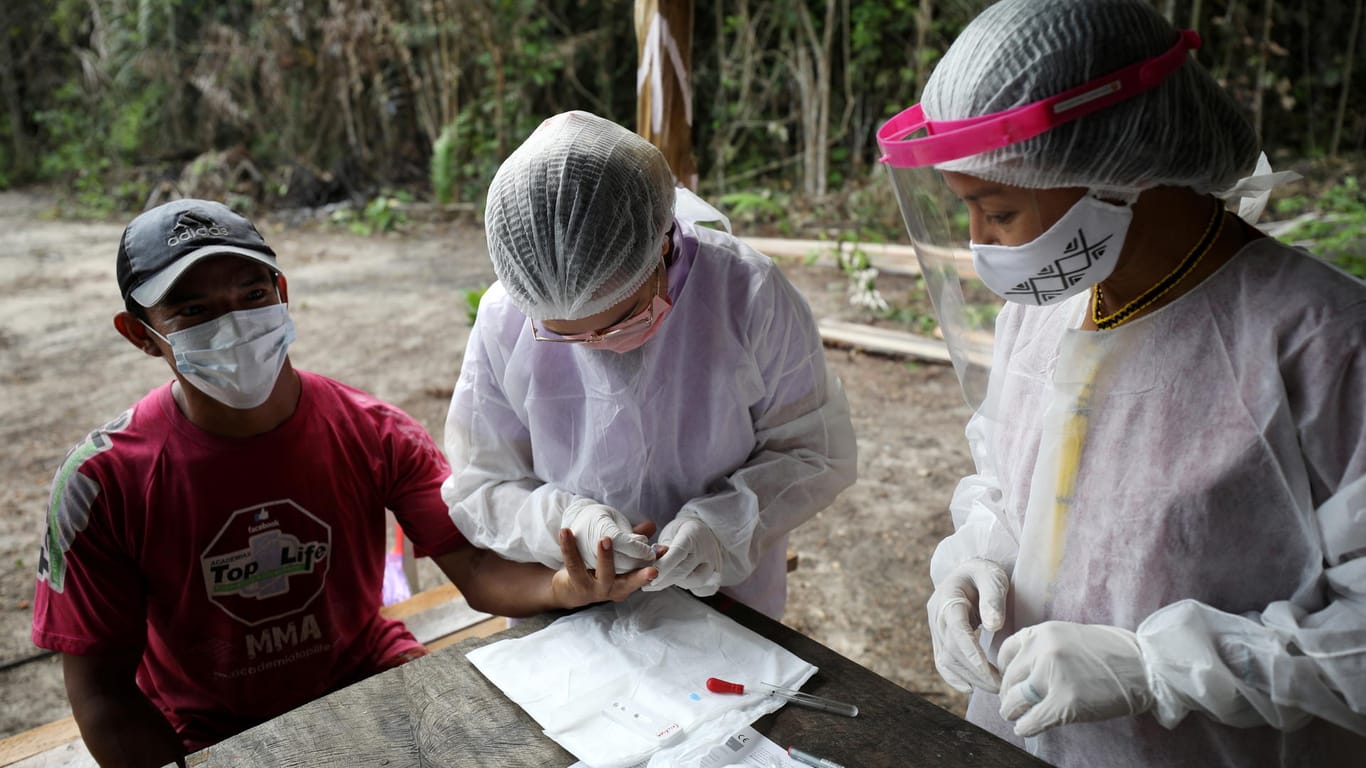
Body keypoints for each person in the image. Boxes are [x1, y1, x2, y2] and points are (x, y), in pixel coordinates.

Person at [876, 0, 1366, 765]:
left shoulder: (1325, 344)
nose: (978, 244)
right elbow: (1009, 488)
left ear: (1123, 172)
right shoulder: (1045, 314)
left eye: (998, 211)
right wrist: (974, 569)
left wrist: (1156, 669)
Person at [30, 199, 652, 768]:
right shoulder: (101, 484)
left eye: (252, 293)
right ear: (140, 333)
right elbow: (103, 695)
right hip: (208, 731)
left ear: (282, 292)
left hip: (373, 678)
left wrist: (563, 587)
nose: (235, 323)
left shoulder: (373, 432)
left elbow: (472, 567)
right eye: (193, 310)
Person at [442, 110, 857, 620]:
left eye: (619, 321)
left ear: (662, 244)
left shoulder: (747, 294)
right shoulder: (506, 317)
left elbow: (813, 449)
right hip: (570, 611)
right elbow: (481, 483)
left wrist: (721, 529)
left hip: (726, 603)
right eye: (567, 335)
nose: (597, 347)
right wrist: (566, 523)